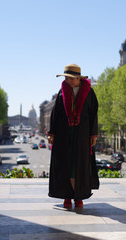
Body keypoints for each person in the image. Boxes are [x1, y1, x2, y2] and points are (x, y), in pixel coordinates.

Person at [48, 63, 99, 208]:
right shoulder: (61, 91)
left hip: (82, 134)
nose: (68, 81)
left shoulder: (89, 92)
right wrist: (51, 133)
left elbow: (94, 114)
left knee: (80, 165)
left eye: (71, 79)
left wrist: (93, 134)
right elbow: (55, 113)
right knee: (65, 164)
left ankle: (78, 196)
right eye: (66, 78)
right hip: (63, 133)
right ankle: (66, 196)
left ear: (78, 78)